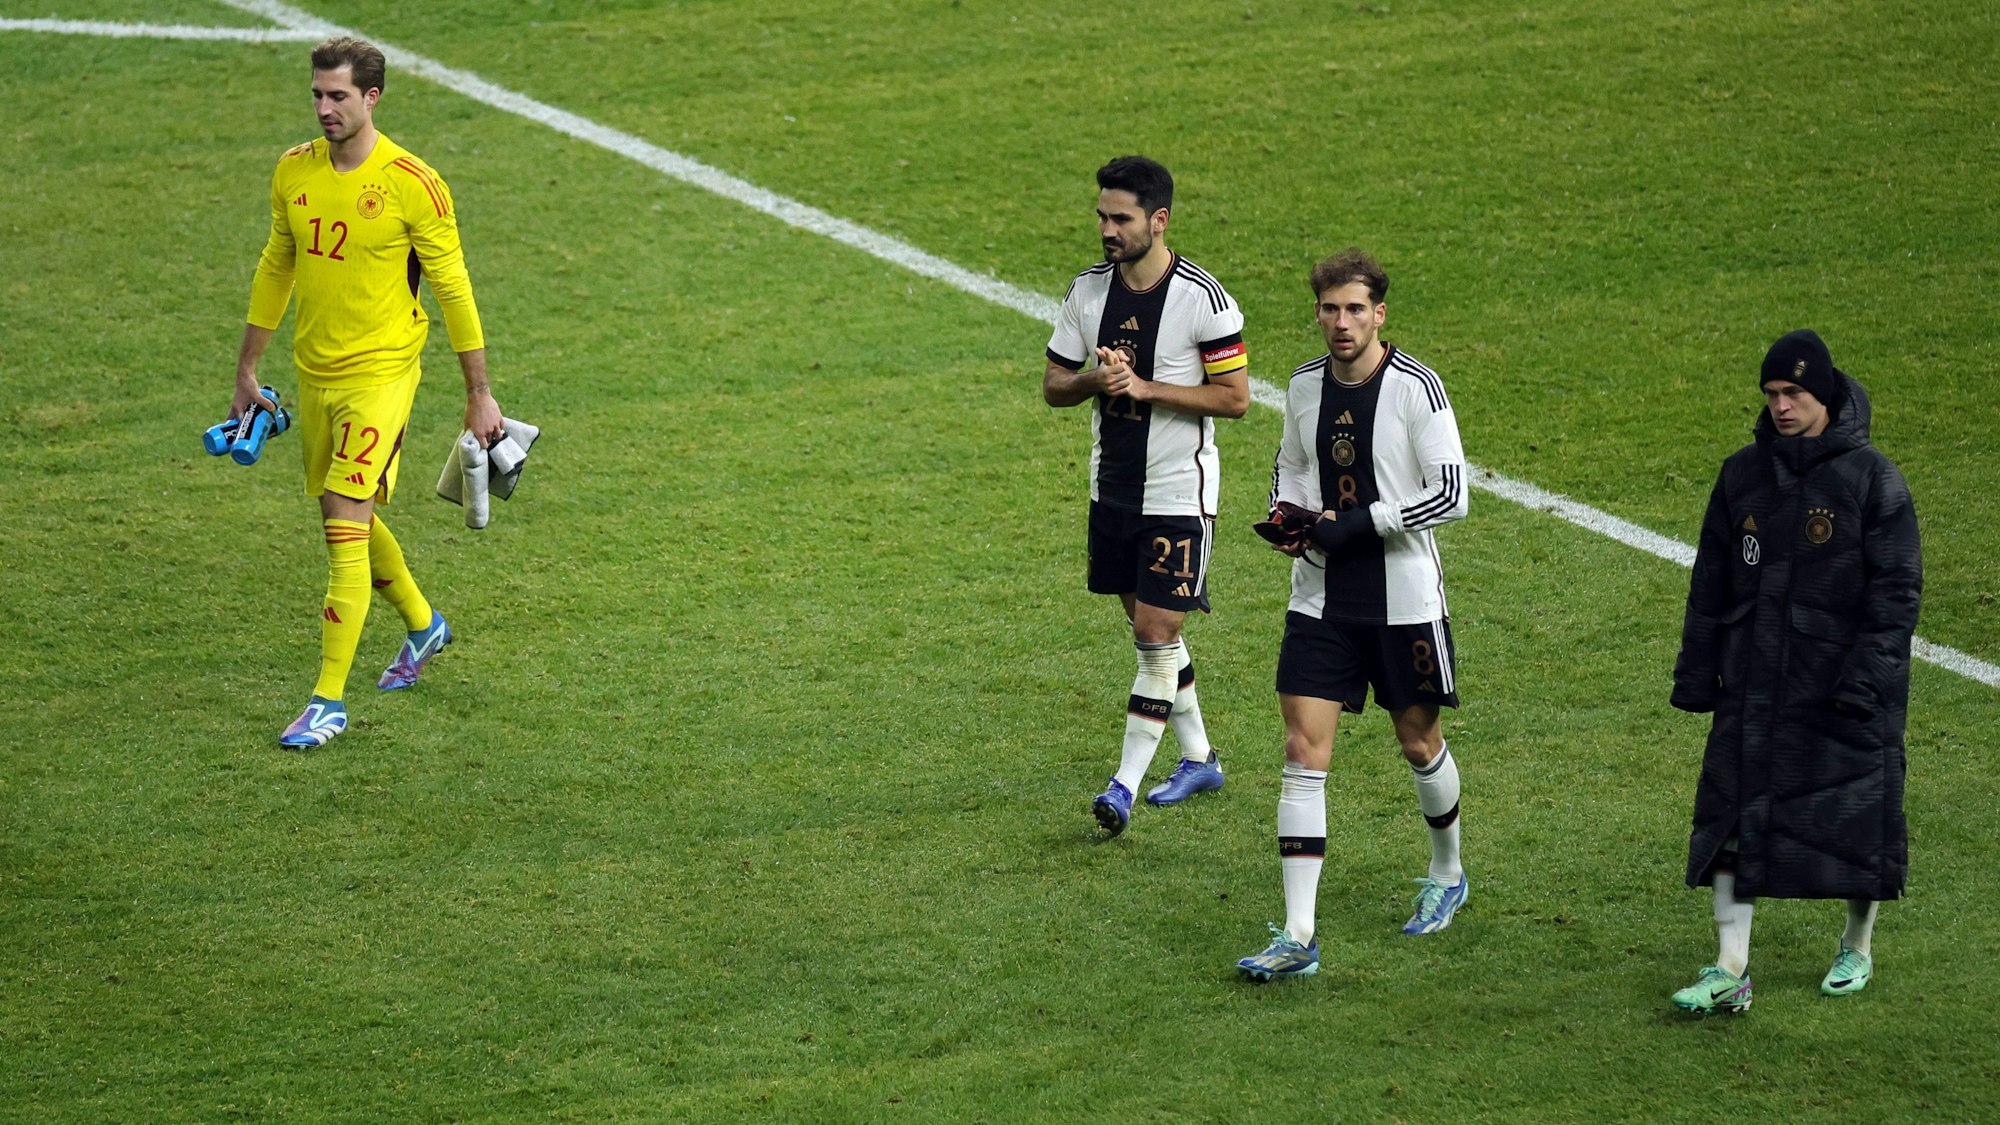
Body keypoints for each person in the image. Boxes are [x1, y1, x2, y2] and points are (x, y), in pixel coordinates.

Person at [230, 36, 506, 750]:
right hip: (317, 372)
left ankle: (328, 701)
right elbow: (276, 263)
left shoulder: (414, 184)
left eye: (338, 96)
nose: (323, 108)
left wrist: (480, 393)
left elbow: (454, 290)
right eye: (317, 95)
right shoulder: (294, 172)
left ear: (372, 98)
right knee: (338, 515)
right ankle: (423, 622)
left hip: (382, 376)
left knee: (343, 528)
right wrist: (247, 368)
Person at [1667, 329, 1921, 1014]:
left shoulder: (1874, 480)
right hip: (1753, 682)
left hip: (1844, 689)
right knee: (1729, 818)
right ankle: (1730, 964)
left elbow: (1896, 593)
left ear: (1825, 395)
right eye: (1772, 394)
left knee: (1855, 819)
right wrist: (1697, 674)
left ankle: (1857, 944)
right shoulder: (1741, 474)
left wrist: (1866, 679)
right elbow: (1710, 581)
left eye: (1794, 394)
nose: (1780, 406)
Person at [1236, 248, 1470, 982]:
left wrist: (1363, 522)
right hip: (1320, 598)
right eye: (1330, 309)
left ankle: (1448, 870)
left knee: (1418, 739)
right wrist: (1293, 516)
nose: (1342, 322)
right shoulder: (1305, 385)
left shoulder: (1416, 388)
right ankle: (1299, 934)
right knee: (1303, 752)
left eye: (1355, 309)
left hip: (1402, 600)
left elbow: (1451, 492)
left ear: (1380, 314)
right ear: (1318, 312)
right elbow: (1292, 463)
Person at [1042, 155, 1251, 835]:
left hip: (1177, 493)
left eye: (1120, 218)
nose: (1106, 228)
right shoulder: (1088, 292)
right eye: (1102, 215)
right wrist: (1094, 386)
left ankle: (1123, 786)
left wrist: (1145, 388)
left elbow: (1236, 399)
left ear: (1158, 221)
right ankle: (1199, 757)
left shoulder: (1204, 300)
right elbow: (1053, 383)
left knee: (1158, 633)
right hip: (1112, 488)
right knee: (1148, 635)